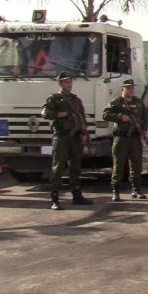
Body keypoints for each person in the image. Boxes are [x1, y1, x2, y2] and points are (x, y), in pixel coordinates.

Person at [41, 72, 93, 210]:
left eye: (70, 82)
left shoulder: (76, 100)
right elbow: (45, 113)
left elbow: (82, 118)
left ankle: (77, 195)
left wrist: (83, 132)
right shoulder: (54, 99)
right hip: (61, 136)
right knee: (58, 167)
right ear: (60, 84)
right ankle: (55, 198)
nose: (69, 84)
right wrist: (61, 114)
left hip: (75, 137)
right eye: (66, 82)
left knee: (75, 166)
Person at [102, 79, 148, 201]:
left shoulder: (138, 102)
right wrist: (120, 117)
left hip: (135, 138)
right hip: (121, 138)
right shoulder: (117, 102)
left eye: (132, 88)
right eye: (128, 88)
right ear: (122, 89)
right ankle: (115, 191)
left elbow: (145, 117)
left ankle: (136, 189)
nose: (131, 90)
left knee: (136, 164)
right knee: (119, 164)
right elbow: (105, 114)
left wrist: (144, 130)